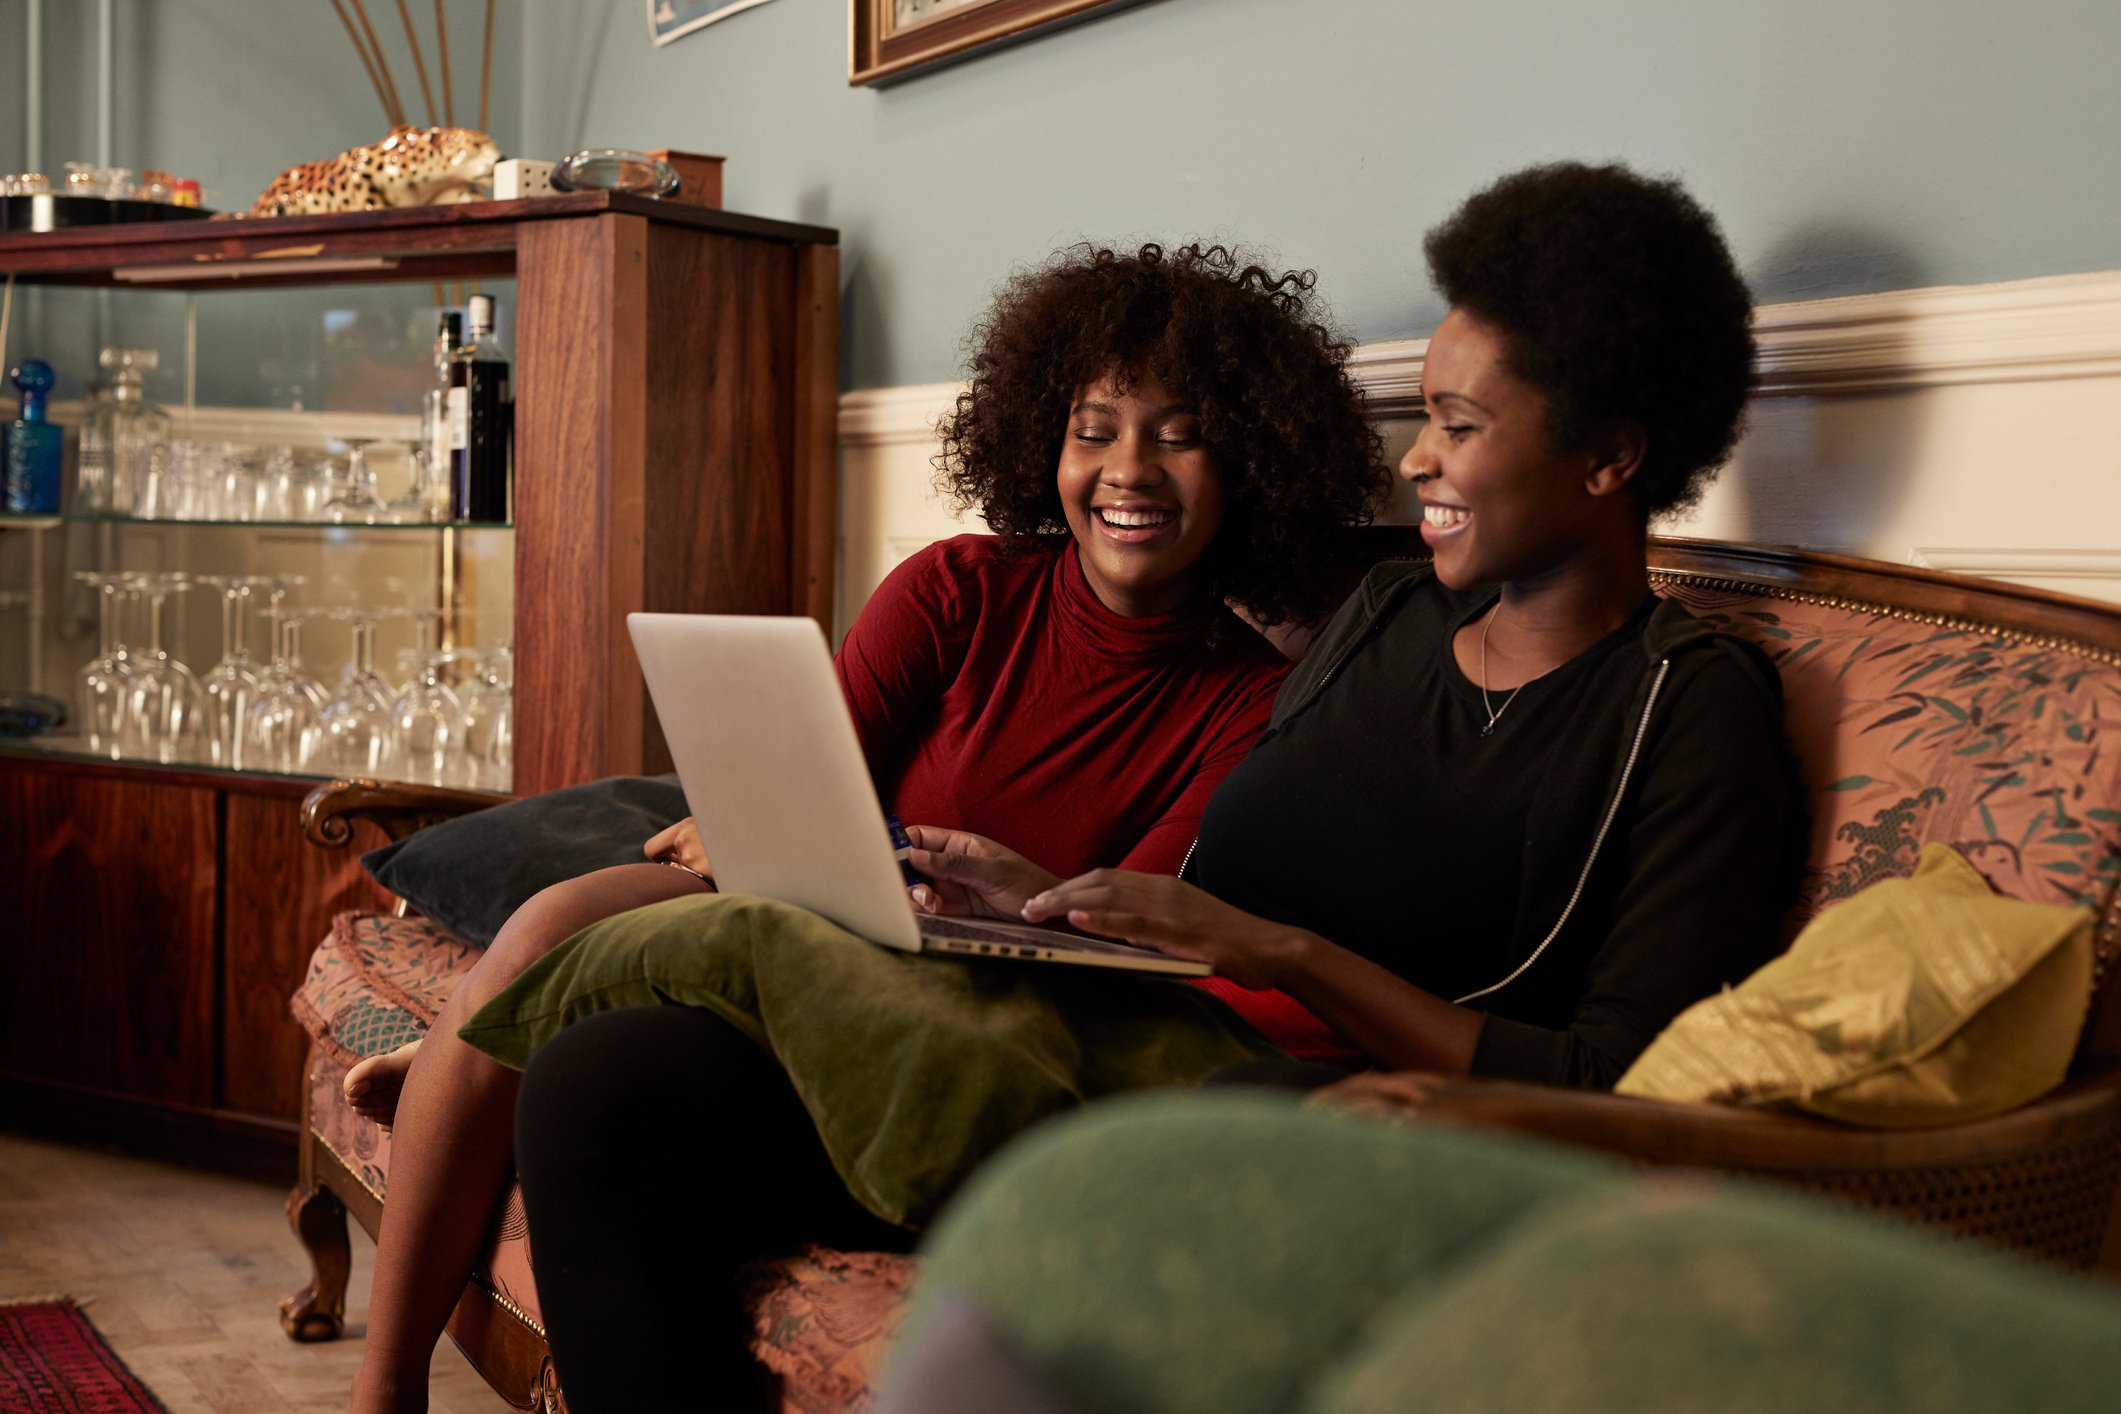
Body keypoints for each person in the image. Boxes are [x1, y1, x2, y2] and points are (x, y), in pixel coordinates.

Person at [510, 161, 1804, 1410]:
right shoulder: (1390, 615)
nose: (1414, 461)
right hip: (1126, 1058)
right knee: (611, 1082)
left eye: (1460, 428)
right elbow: (1212, 883)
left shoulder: (1685, 709)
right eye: (1424, 419)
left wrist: (1285, 953)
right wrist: (1041, 900)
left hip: (1326, 1116)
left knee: (1223, 1124)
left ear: (1609, 457)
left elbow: (1619, 1081)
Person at [344, 240, 1388, 1414]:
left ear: (1250, 455)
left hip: (985, 984)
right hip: (809, 904)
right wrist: (783, 835)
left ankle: (459, 1065)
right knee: (544, 926)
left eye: (1177, 433)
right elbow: (802, 782)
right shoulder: (956, 587)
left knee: (549, 997)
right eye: (1093, 430)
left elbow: (1131, 942)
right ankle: (385, 1386)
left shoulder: (1255, 704)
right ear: (1045, 440)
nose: (1126, 469)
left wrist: (1010, 882)